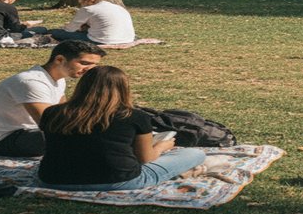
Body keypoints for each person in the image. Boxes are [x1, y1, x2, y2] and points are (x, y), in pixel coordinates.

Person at [37, 66, 210, 190]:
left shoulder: (52, 112)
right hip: (119, 180)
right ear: (123, 89)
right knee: (195, 154)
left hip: (53, 179)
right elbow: (146, 159)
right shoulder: (133, 116)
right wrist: (161, 147)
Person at [0, 40, 106, 157]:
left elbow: (64, 113)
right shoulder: (32, 82)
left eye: (94, 65)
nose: (90, 69)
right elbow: (48, 124)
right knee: (81, 140)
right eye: (84, 63)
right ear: (59, 59)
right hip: (0, 140)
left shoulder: (59, 79)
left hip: (26, 132)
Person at [50, 0, 136, 45]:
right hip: (127, 39)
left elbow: (70, 29)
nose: (81, 5)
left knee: (57, 32)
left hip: (103, 40)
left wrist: (65, 27)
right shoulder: (118, 7)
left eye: (82, 2)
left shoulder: (88, 9)